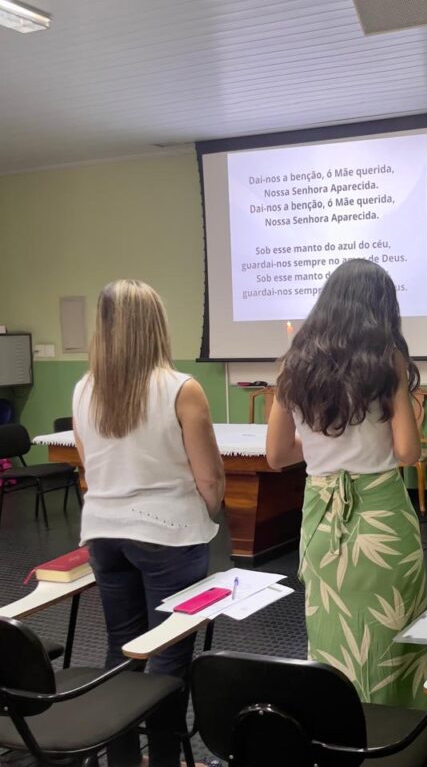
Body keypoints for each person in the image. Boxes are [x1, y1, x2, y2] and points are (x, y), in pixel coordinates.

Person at [266, 259, 427, 708]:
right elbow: (408, 453)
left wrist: (322, 447)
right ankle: (399, 737)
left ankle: (337, 733)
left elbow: (278, 455)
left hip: (322, 522)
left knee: (331, 636)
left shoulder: (293, 364)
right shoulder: (389, 360)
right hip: (381, 520)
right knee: (392, 636)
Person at [73, 279, 224, 767]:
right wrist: (211, 509)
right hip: (168, 536)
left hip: (103, 534)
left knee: (123, 648)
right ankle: (164, 760)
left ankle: (122, 759)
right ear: (155, 326)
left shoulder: (83, 390)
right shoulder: (181, 389)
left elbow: (89, 468)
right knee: (168, 658)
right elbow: (211, 482)